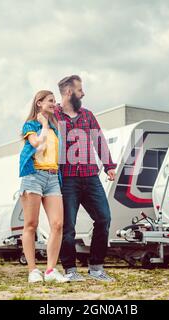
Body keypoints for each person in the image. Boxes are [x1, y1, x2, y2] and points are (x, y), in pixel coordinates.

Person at [55, 75, 117, 282]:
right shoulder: (54, 116)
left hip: (91, 177)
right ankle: (70, 270)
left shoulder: (87, 115)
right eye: (80, 90)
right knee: (68, 227)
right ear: (69, 92)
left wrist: (109, 166)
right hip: (67, 180)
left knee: (104, 218)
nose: (84, 93)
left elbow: (99, 140)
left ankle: (96, 268)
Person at [19, 90, 68, 283]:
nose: (54, 104)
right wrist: (45, 124)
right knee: (31, 225)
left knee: (57, 224)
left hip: (53, 178)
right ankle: (33, 271)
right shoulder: (30, 125)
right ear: (39, 103)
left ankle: (50, 270)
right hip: (33, 177)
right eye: (50, 101)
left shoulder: (56, 130)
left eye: (54, 101)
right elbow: (38, 145)